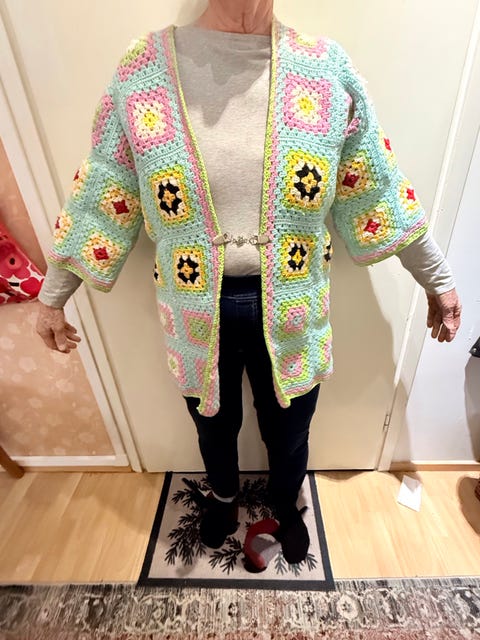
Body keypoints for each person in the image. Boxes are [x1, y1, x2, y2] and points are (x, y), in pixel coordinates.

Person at [36, 0, 461, 564]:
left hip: (294, 304)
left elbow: (378, 188)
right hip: (193, 308)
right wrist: (53, 295)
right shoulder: (144, 71)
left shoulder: (325, 70)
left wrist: (438, 280)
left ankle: (285, 504)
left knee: (291, 427)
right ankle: (223, 498)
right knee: (212, 424)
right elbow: (102, 190)